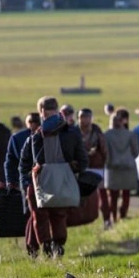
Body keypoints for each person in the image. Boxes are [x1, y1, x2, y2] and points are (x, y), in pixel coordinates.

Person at [20, 96, 88, 258]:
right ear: (57, 111)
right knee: (59, 214)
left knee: (39, 214)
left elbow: (28, 161)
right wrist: (73, 168)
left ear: (42, 112)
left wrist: (27, 179)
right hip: (64, 181)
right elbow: (83, 161)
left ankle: (45, 244)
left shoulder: (36, 136)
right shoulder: (72, 133)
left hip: (41, 181)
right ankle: (58, 244)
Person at [6, 112, 42, 256]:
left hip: (36, 179)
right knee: (32, 213)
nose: (33, 124)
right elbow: (11, 162)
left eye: (35, 122)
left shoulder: (43, 135)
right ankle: (33, 245)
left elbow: (10, 162)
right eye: (31, 122)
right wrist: (11, 181)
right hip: (29, 180)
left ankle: (35, 245)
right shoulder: (18, 138)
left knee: (34, 213)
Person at [103, 109, 139, 228]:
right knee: (126, 194)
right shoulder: (130, 135)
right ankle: (123, 216)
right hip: (128, 167)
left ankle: (114, 218)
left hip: (112, 167)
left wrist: (107, 163)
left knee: (113, 196)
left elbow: (105, 152)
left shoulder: (106, 135)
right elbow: (136, 151)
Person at [78, 107, 109, 225]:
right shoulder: (75, 132)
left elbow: (105, 151)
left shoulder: (97, 133)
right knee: (81, 196)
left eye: (86, 117)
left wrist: (102, 162)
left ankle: (106, 220)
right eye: (82, 117)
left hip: (97, 167)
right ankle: (82, 219)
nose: (84, 119)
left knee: (102, 195)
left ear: (91, 118)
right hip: (81, 168)